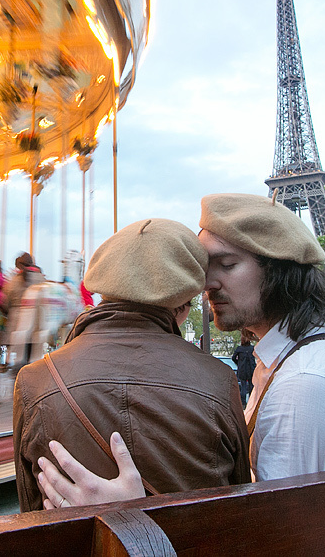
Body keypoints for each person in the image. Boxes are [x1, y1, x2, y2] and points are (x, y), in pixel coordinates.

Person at [36, 193, 325, 508]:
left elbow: (279, 536)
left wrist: (135, 511)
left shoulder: (307, 385)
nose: (206, 283)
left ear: (281, 271)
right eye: (204, 267)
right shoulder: (320, 350)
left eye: (227, 264)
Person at [14, 218, 250, 511]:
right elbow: (240, 507)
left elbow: (32, 512)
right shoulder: (218, 380)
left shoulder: (34, 381)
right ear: (182, 304)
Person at [231, 330, 256, 407]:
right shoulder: (252, 348)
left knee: (243, 388)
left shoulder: (239, 349)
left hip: (242, 370)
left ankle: (243, 404)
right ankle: (251, 403)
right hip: (251, 369)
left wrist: (239, 363)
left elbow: (233, 358)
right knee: (252, 387)